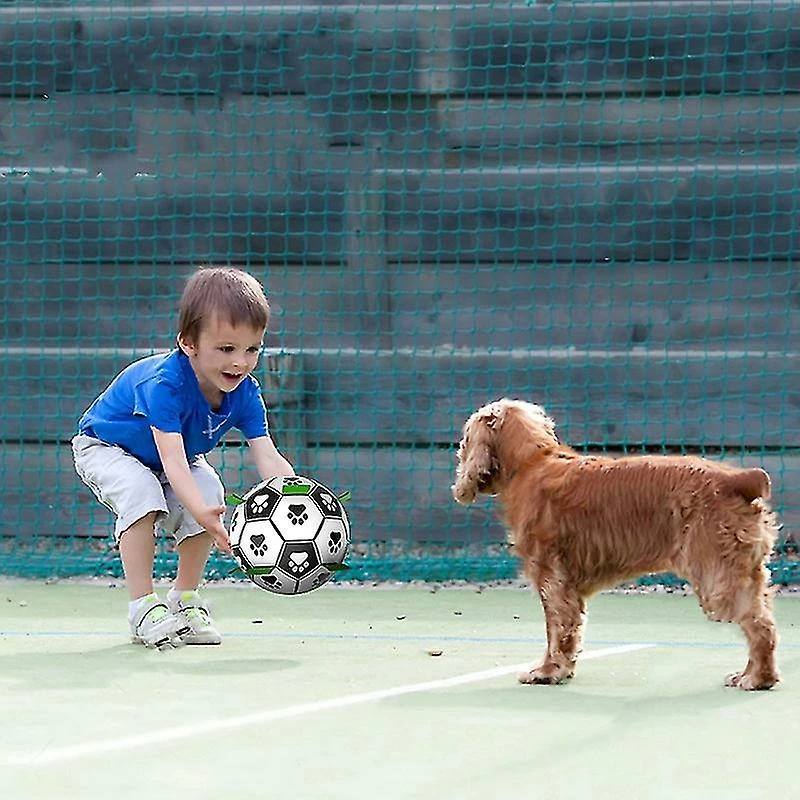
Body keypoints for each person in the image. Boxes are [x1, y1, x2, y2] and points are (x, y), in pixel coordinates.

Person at [71, 266, 295, 649]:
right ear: (188, 343)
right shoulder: (165, 383)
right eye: (226, 349)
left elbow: (267, 453)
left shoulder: (245, 391)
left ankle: (184, 601)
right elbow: (173, 460)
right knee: (143, 493)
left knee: (208, 490)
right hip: (108, 448)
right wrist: (203, 514)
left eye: (252, 349)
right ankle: (142, 607)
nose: (240, 361)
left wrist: (294, 495)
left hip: (166, 459)